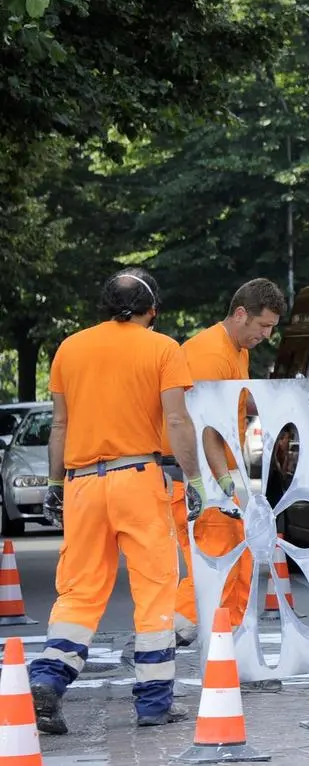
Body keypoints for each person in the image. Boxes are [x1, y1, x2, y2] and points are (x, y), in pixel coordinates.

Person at [29, 268, 200, 732]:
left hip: (82, 483)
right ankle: (153, 702)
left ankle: (48, 679)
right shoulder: (163, 348)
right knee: (154, 589)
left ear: (104, 307)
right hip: (138, 478)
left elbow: (59, 427)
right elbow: (178, 421)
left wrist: (55, 485)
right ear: (153, 311)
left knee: (80, 590)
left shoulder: (69, 349)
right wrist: (196, 480)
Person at [171, 278, 287, 642]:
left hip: (222, 472)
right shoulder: (210, 354)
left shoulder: (236, 350)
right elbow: (206, 427)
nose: (267, 335)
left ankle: (230, 644)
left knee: (238, 561)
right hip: (206, 475)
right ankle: (168, 635)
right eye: (263, 325)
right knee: (216, 561)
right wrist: (222, 485)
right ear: (241, 314)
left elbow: (239, 408)